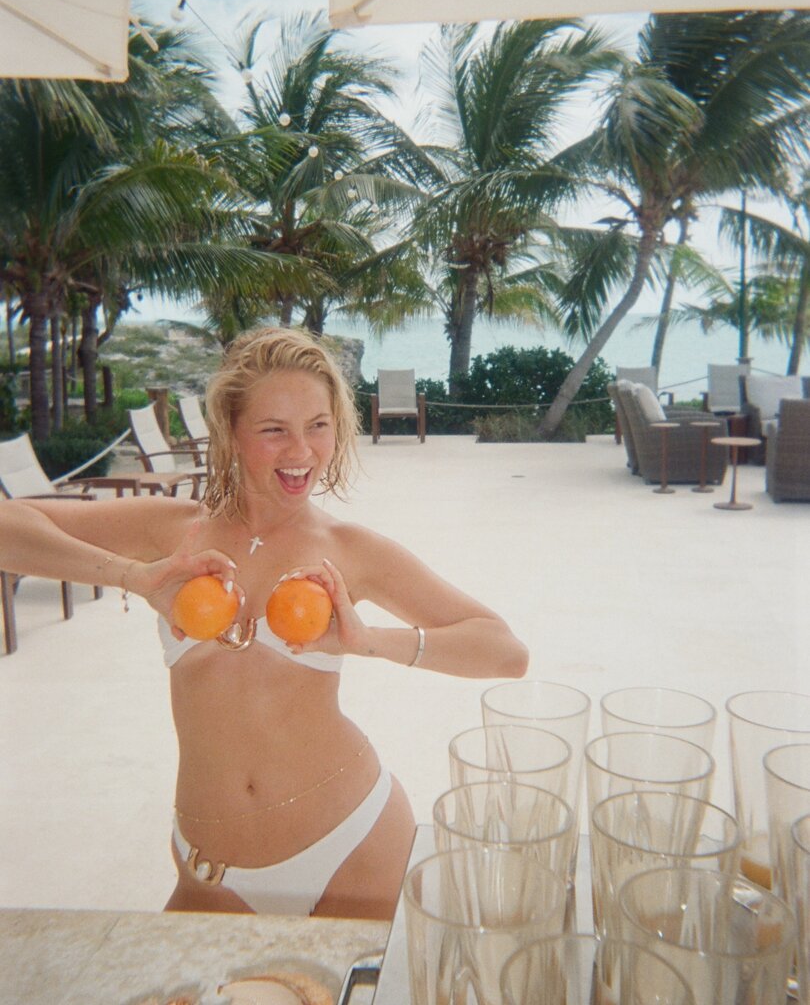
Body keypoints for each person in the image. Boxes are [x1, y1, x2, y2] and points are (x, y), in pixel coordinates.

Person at [0, 327, 528, 919]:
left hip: (353, 847)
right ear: (231, 432)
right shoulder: (172, 531)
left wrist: (369, 641)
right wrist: (133, 576)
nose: (301, 451)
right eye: (274, 430)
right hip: (209, 870)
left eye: (318, 425)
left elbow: (505, 650)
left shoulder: (350, 550)